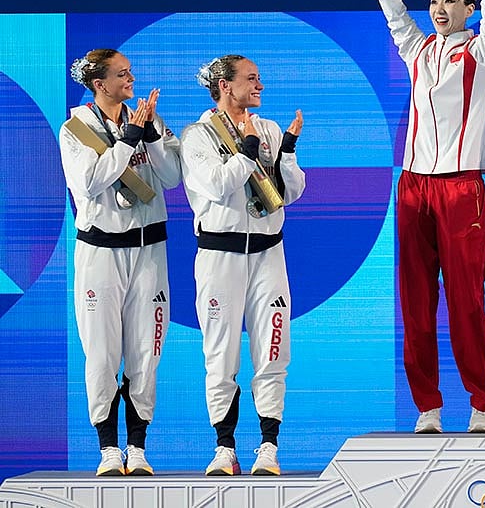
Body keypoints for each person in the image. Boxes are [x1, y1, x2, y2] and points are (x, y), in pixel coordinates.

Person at [344, 0, 485, 435]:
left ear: (469, 10)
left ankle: (481, 404)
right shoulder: (416, 48)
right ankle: (428, 407)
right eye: (434, 2)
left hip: (462, 189)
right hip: (413, 187)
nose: (439, 9)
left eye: (450, 2)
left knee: (466, 301)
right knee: (416, 304)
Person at [181, 55, 305, 476]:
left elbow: (290, 194)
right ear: (225, 85)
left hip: (269, 253)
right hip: (220, 256)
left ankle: (269, 447)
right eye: (251, 79)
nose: (260, 86)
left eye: (259, 78)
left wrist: (287, 152)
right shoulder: (197, 136)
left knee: (273, 348)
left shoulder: (268, 128)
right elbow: (217, 186)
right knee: (221, 354)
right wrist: (248, 150)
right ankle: (224, 448)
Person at [59, 49, 182, 476]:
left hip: (150, 250)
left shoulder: (148, 118)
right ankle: (108, 449)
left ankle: (138, 447)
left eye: (130, 72)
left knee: (147, 351)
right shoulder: (76, 129)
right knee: (102, 352)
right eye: (122, 74)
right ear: (100, 84)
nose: (131, 79)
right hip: (101, 252)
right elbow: (90, 182)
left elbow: (172, 178)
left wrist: (149, 135)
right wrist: (128, 140)